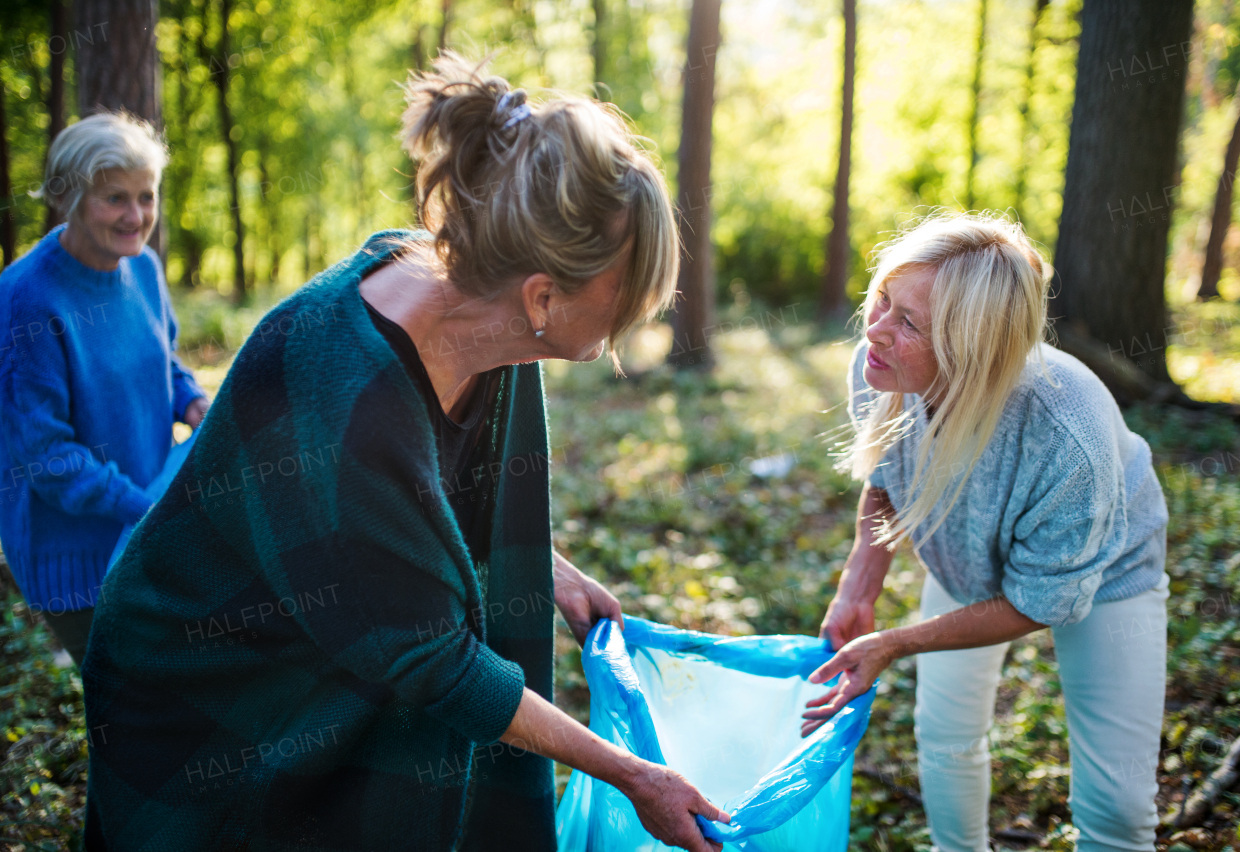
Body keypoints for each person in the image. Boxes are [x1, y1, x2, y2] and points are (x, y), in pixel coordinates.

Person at [81, 58, 728, 852]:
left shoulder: (482, 318)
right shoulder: (345, 391)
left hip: (329, 635)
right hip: (210, 684)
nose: (630, 319)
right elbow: (434, 664)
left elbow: (430, 504)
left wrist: (544, 568)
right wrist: (632, 774)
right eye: (624, 295)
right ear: (542, 297)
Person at [802, 213, 1169, 852]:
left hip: (1109, 574)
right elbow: (889, 476)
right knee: (944, 736)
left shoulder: (1065, 432)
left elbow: (1040, 602)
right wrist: (859, 582)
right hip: (965, 561)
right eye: (883, 299)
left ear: (973, 348)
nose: (876, 330)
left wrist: (895, 643)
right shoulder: (879, 365)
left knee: (1116, 802)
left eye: (909, 321)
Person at [0, 112, 208, 666]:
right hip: (75, 553)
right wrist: (147, 512)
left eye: (146, 196)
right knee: (124, 707)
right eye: (116, 198)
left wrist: (193, 402)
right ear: (69, 197)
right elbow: (47, 457)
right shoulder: (27, 298)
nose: (136, 216)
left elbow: (162, 363)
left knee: (168, 692)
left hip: (143, 524)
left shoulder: (143, 269)